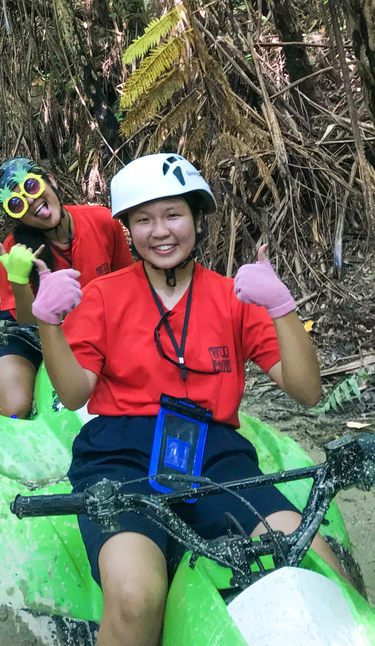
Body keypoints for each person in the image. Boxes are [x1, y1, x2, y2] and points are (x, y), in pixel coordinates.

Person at [31, 152, 344, 646]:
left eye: (173, 214)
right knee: (135, 597)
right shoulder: (104, 296)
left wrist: (282, 307)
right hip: (120, 455)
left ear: (198, 219)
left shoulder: (235, 297)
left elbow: (306, 391)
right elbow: (73, 395)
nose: (160, 231)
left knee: (315, 570)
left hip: (217, 457)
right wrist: (48, 324)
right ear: (128, 231)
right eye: (143, 219)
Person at [0, 155, 133, 419]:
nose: (29, 201)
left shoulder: (103, 221)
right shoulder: (14, 249)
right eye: (16, 203)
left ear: (50, 182)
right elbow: (28, 321)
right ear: (15, 217)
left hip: (92, 329)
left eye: (31, 187)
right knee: (15, 407)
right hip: (23, 333)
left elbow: (129, 283)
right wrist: (18, 279)